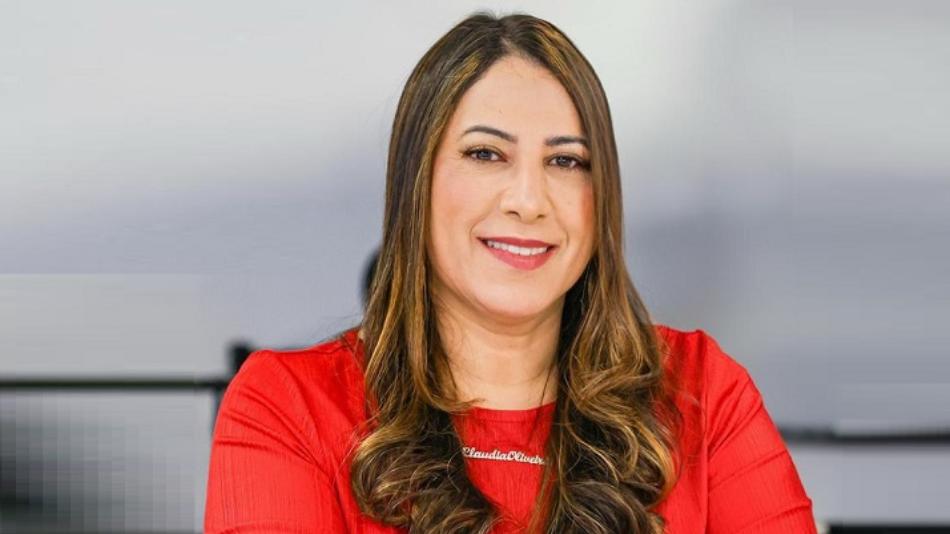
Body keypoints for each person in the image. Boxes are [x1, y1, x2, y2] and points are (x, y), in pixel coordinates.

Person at [204, 12, 816, 533]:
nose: (529, 200)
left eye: (566, 161)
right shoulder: (288, 406)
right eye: (486, 154)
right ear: (416, 184)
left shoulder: (702, 393)